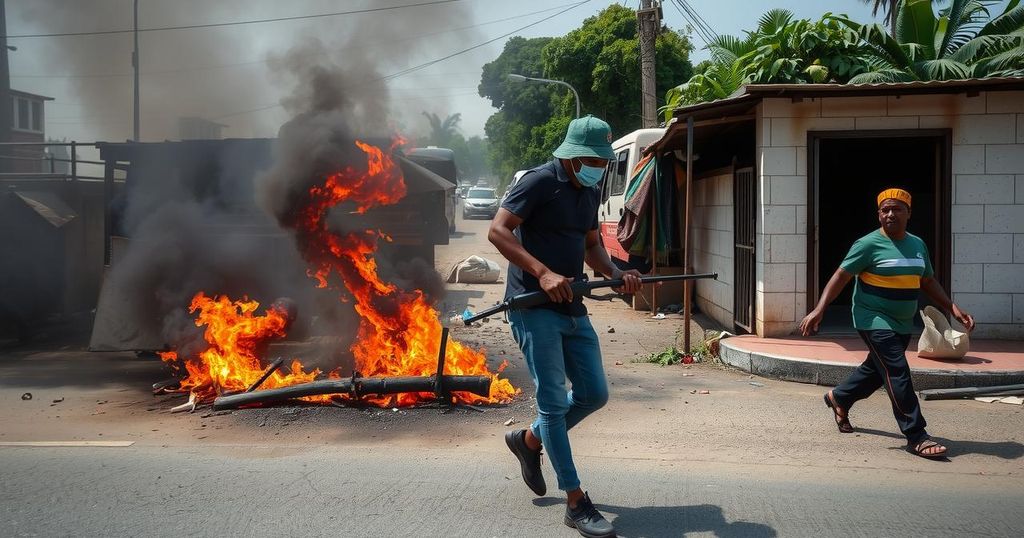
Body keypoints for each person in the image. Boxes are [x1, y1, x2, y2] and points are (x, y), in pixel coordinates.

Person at [488, 115, 643, 538]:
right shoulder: (538, 182)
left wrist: (616, 272)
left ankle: (530, 442)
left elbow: (591, 244)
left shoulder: (589, 190)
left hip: (571, 305)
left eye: (603, 159)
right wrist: (542, 272)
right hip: (533, 305)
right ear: (572, 156)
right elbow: (498, 231)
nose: (599, 165)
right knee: (554, 403)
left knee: (594, 394)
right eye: (593, 158)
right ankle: (575, 501)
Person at [799, 188, 975, 459]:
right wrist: (820, 309)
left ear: (909, 213)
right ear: (879, 215)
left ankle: (839, 398)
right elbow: (841, 276)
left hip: (902, 321)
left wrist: (953, 308)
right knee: (896, 371)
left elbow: (927, 280)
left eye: (897, 209)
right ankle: (916, 435)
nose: (891, 214)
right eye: (885, 210)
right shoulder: (867, 244)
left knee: (874, 371)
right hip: (872, 317)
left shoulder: (917, 245)